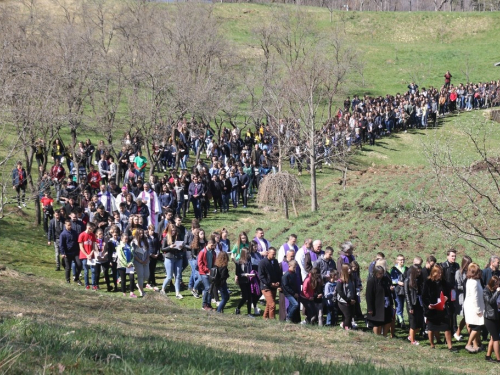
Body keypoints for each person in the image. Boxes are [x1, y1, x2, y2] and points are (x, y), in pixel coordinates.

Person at [422, 265, 458, 352]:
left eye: (441, 272)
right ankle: (432, 344)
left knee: (447, 327)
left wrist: (447, 298)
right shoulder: (428, 282)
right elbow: (424, 297)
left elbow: (450, 294)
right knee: (431, 327)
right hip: (432, 309)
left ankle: (450, 346)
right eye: (438, 273)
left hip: (443, 308)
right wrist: (428, 305)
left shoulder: (445, 283)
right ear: (433, 273)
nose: (440, 274)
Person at [366, 265, 394, 337]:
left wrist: (390, 289)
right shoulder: (371, 281)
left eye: (382, 273)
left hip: (386, 304)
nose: (382, 275)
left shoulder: (385, 279)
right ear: (376, 273)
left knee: (388, 320)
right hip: (376, 305)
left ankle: (384, 335)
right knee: (377, 323)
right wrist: (370, 308)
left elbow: (388, 288)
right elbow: (369, 296)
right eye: (380, 273)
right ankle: (377, 336)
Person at [463, 263, 485, 353]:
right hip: (473, 307)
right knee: (477, 326)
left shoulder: (474, 280)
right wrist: (478, 310)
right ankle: (468, 344)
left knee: (475, 327)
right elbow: (474, 297)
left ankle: (476, 345)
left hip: (474, 306)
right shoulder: (473, 282)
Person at [160, 224, 185, 299]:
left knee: (177, 276)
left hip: (178, 258)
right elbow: (162, 249)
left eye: (175, 230)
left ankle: (177, 293)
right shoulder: (166, 238)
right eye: (172, 230)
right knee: (169, 276)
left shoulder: (178, 237)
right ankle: (163, 289)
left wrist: (181, 247)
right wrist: (169, 247)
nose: (174, 232)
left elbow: (182, 246)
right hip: (169, 258)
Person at [258, 247, 281, 320]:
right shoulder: (262, 262)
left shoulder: (276, 262)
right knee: (272, 304)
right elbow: (261, 276)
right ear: (268, 253)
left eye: (275, 254)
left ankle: (265, 318)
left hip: (274, 286)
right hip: (266, 287)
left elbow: (278, 273)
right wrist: (270, 283)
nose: (274, 256)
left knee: (269, 304)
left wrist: (278, 282)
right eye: (273, 254)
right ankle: (272, 319)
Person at [404, 265, 424, 345]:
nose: (419, 273)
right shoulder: (407, 280)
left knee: (419, 324)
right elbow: (407, 294)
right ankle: (412, 341)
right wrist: (410, 307)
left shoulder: (419, 280)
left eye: (420, 271)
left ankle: (410, 336)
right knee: (413, 323)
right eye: (417, 271)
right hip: (412, 303)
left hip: (419, 303)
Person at [455, 255, 472, 341]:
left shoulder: (470, 272)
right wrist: (467, 287)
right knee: (467, 317)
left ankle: (457, 333)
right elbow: (458, 286)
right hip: (463, 297)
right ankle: (472, 339)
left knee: (466, 317)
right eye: (468, 263)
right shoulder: (459, 272)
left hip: (469, 297)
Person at [234, 248, 256, 318]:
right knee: (245, 296)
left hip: (249, 280)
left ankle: (249, 312)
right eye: (247, 253)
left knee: (249, 297)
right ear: (244, 254)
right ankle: (238, 308)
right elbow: (238, 273)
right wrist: (245, 274)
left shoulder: (249, 261)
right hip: (242, 281)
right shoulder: (238, 262)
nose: (248, 254)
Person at [59, 220, 82, 285]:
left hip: (75, 252)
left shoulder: (74, 232)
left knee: (79, 265)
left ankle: (76, 278)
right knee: (68, 267)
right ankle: (68, 280)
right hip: (67, 253)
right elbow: (61, 245)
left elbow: (78, 241)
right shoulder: (63, 234)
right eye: (68, 225)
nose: (70, 226)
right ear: (65, 225)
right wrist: (63, 253)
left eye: (70, 225)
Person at [483, 276, 500, 362]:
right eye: (497, 284)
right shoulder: (486, 290)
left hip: (496, 316)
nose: (498, 285)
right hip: (489, 318)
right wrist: (497, 292)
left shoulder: (495, 291)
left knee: (493, 338)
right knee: (496, 339)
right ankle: (498, 358)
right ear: (492, 283)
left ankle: (488, 356)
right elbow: (490, 301)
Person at [198, 240, 217, 311]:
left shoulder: (213, 252)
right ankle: (204, 305)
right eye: (212, 245)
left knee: (210, 288)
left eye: (214, 246)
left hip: (210, 273)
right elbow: (200, 264)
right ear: (208, 244)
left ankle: (209, 304)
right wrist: (207, 270)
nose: (213, 247)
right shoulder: (202, 252)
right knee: (207, 288)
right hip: (204, 273)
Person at [116, 233, 137, 298]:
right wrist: (126, 264)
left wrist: (131, 263)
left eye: (127, 238)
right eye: (125, 238)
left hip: (130, 265)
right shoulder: (119, 247)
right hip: (122, 265)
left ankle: (131, 292)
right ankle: (124, 292)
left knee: (131, 278)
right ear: (122, 239)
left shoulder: (129, 246)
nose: (126, 240)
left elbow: (132, 255)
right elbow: (120, 257)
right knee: (123, 279)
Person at [336, 264, 356, 330]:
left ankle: (347, 325)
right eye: (348, 269)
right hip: (343, 301)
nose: (350, 270)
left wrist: (353, 299)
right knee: (348, 315)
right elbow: (340, 292)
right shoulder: (340, 281)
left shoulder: (351, 279)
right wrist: (348, 300)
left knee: (350, 315)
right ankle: (347, 328)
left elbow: (353, 289)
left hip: (351, 300)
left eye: (350, 268)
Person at [390, 254, 408, 328]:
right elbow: (391, 279)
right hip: (397, 290)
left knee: (402, 306)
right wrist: (398, 282)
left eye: (403, 259)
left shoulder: (406, 268)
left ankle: (399, 320)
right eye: (400, 260)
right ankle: (401, 321)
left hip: (404, 290)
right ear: (397, 260)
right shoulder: (394, 269)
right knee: (399, 306)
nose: (402, 261)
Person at [78, 222, 97, 290]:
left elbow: (94, 246)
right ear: (89, 228)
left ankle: (94, 285)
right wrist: (86, 255)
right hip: (84, 256)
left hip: (91, 256)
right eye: (92, 229)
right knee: (86, 271)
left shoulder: (93, 235)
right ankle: (87, 285)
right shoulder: (82, 235)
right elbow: (81, 247)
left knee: (93, 270)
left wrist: (91, 254)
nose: (93, 230)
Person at [132, 228, 150, 297]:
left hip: (146, 260)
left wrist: (147, 259)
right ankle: (141, 291)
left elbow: (148, 250)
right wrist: (140, 261)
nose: (141, 235)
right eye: (140, 234)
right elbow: (133, 253)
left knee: (146, 276)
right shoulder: (134, 242)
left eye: (142, 233)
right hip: (138, 261)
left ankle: (139, 285)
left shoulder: (145, 241)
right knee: (140, 276)